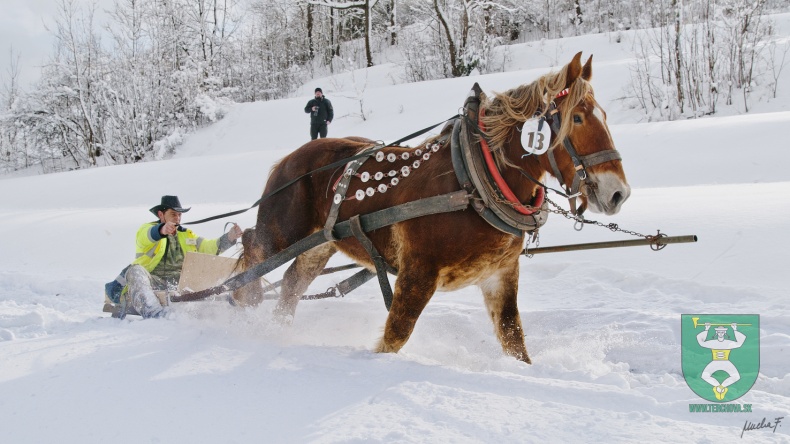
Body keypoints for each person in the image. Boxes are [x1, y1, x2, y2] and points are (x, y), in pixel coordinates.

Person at [104, 195, 243, 319]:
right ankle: (155, 314)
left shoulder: (187, 234)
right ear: (161, 214)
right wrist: (162, 230)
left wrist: (229, 237)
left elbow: (208, 247)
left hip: (181, 283)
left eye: (179, 215)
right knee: (135, 271)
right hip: (154, 281)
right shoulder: (146, 229)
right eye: (173, 214)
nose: (177, 218)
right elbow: (147, 235)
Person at [696, 322, 747, 400]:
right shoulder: (713, 342)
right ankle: (718, 387)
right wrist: (706, 329)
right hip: (715, 362)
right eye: (719, 332)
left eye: (722, 332)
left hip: (726, 362)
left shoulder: (728, 343)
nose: (720, 334)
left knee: (736, 376)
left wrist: (735, 330)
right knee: (704, 376)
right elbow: (702, 343)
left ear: (725, 332)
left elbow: (739, 344)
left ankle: (721, 388)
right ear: (716, 332)